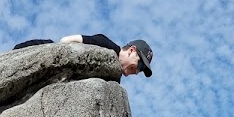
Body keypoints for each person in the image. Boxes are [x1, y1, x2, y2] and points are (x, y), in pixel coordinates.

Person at [13, 33, 153, 78]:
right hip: (40, 54)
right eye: (140, 65)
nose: (137, 72)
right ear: (131, 50)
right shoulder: (107, 46)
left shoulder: (114, 74)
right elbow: (68, 41)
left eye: (141, 70)